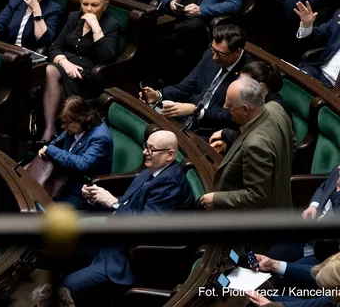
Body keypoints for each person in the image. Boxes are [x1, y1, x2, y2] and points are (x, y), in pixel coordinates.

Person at [58, 130, 193, 307]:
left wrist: (114, 203)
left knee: (68, 287)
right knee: (65, 248)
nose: (145, 152)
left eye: (151, 149)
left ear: (169, 155)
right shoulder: (152, 170)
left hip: (129, 257)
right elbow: (129, 203)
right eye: (146, 146)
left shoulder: (169, 183)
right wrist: (97, 197)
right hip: (113, 242)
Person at [42, 0, 121, 140]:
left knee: (52, 77)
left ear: (105, 5)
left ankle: (54, 132)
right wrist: (65, 63)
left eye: (94, 5)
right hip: (63, 66)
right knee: (50, 70)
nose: (89, 9)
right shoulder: (74, 17)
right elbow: (55, 47)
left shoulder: (111, 25)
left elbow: (107, 57)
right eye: (85, 4)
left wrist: (95, 27)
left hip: (87, 75)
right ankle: (51, 129)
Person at [200, 77, 294, 210]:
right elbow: (292, 143)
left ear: (245, 109)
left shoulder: (255, 145)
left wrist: (216, 199)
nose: (225, 107)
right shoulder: (276, 108)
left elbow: (256, 195)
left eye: (230, 105)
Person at [142, 24, 251, 138]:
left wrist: (197, 111)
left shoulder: (249, 74)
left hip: (211, 133)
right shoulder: (210, 55)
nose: (214, 57)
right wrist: (158, 95)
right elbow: (184, 88)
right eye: (213, 49)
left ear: (238, 52)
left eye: (221, 54)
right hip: (186, 120)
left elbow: (232, 116)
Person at [36, 96, 113, 210]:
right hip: (63, 179)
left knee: (45, 209)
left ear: (82, 119)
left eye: (67, 123)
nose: (63, 127)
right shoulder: (74, 127)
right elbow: (57, 143)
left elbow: (83, 163)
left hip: (81, 190)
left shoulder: (100, 138)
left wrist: (51, 150)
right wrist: (48, 149)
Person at [209, 61, 292, 154]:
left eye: (244, 83)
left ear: (260, 87)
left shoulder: (271, 111)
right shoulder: (255, 100)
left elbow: (255, 140)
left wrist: (226, 133)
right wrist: (226, 143)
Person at [295, 3, 340, 90]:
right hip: (320, 71)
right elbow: (319, 35)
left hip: (336, 89)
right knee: (295, 81)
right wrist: (307, 25)